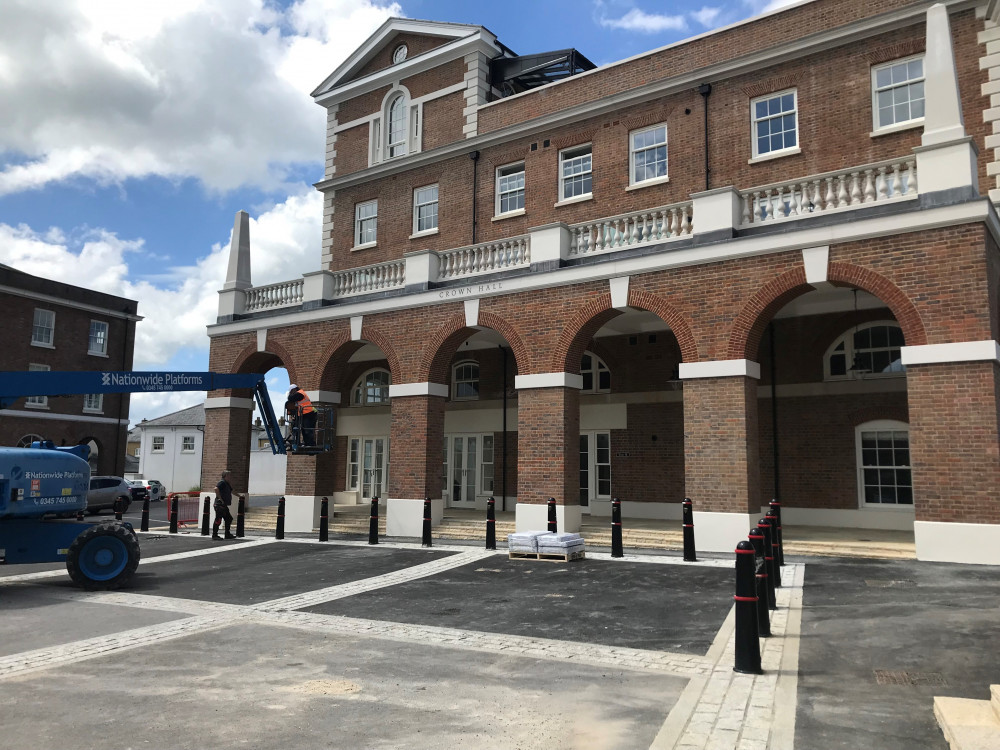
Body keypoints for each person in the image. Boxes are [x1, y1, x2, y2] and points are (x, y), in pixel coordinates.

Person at [213, 470, 236, 540]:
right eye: (229, 475)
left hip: (223, 505)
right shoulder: (222, 482)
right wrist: (220, 498)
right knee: (218, 519)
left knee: (228, 518)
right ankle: (214, 535)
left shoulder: (227, 483)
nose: (230, 477)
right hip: (219, 505)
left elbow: (232, 491)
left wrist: (239, 496)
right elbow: (216, 488)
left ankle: (227, 534)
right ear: (225, 476)